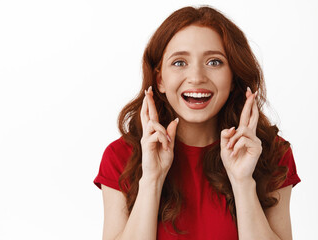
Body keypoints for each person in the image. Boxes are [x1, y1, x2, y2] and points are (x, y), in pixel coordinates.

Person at [94, 5, 300, 240]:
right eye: (179, 63)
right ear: (160, 80)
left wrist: (243, 182)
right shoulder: (120, 157)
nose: (196, 78)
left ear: (233, 78)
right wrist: (152, 178)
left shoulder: (270, 153)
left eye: (214, 62)